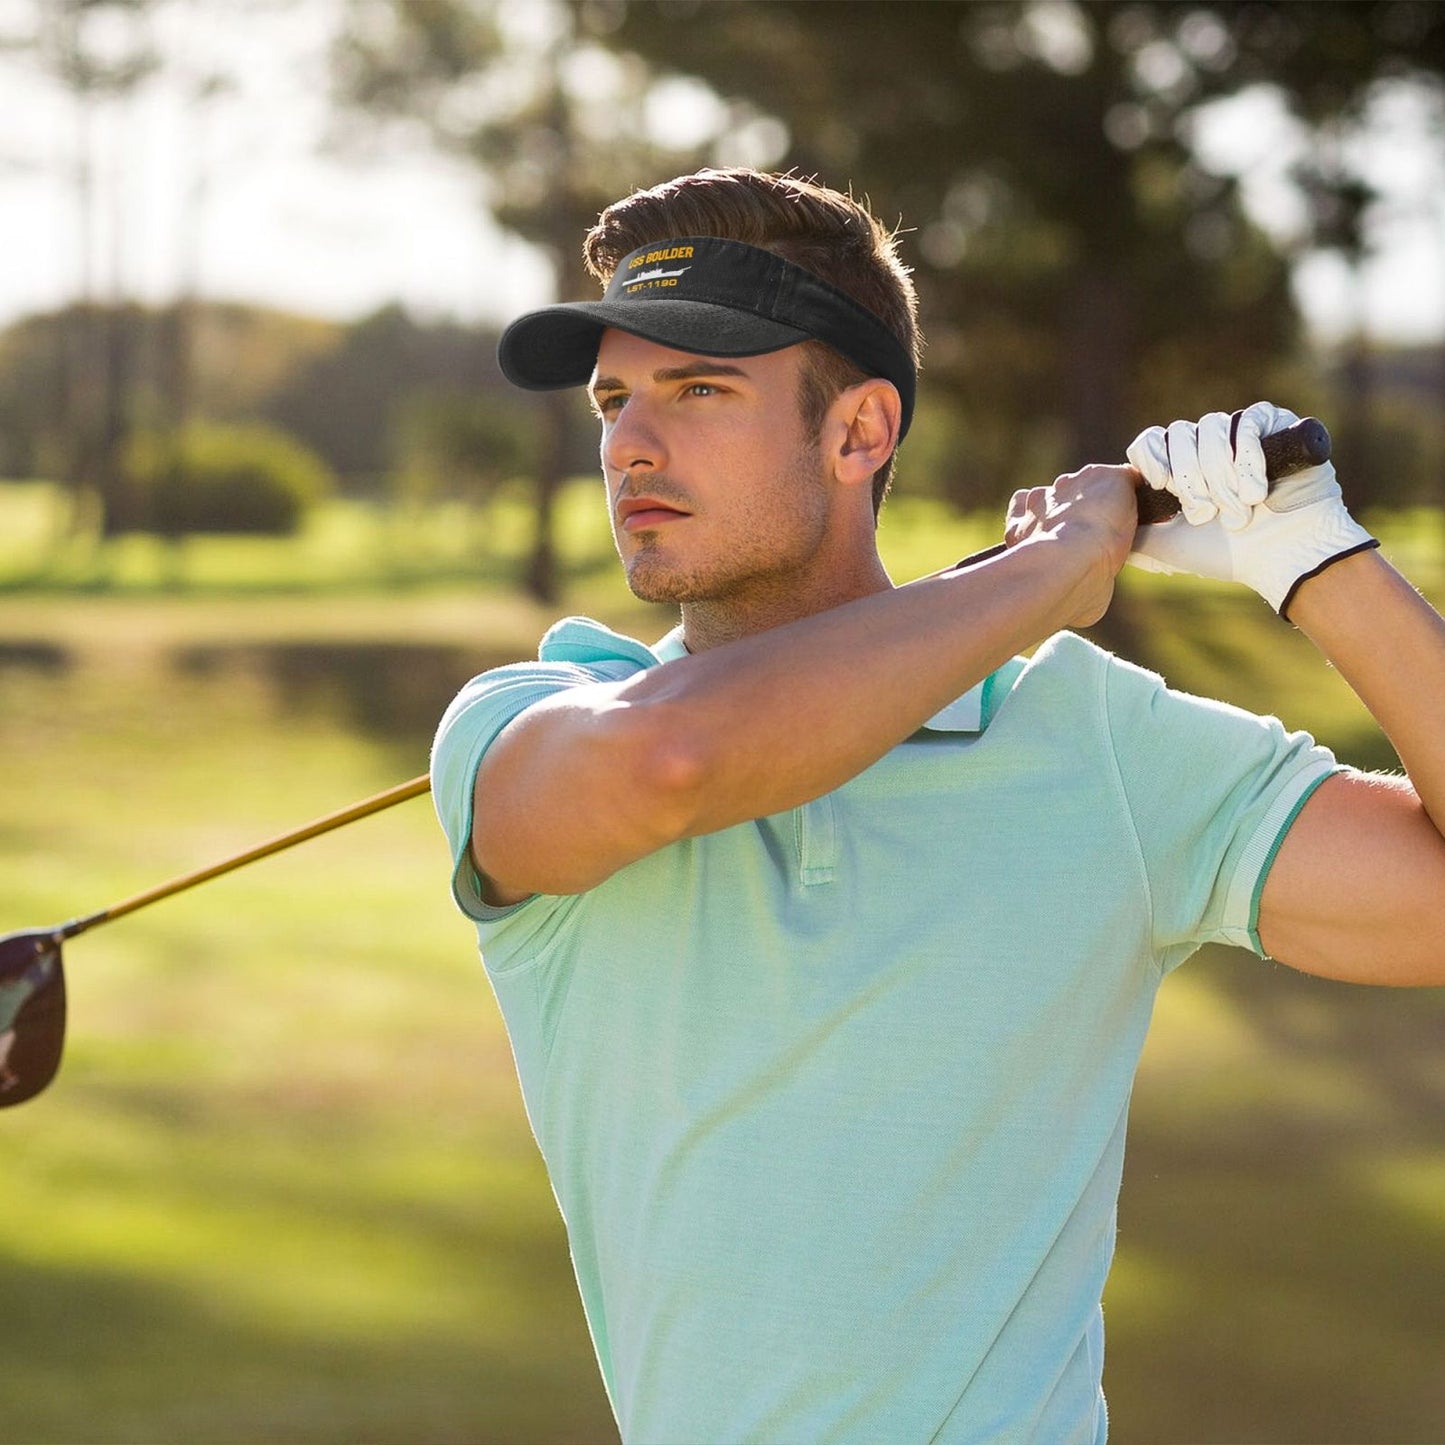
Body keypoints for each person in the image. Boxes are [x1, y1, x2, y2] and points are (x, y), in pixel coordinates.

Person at [430, 167, 1445, 1443]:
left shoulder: (1095, 743)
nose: (631, 441)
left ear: (858, 433)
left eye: (698, 390)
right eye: (615, 398)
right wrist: (1048, 573)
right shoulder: (532, 715)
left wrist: (1317, 565)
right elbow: (669, 764)